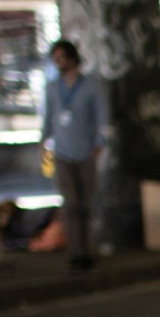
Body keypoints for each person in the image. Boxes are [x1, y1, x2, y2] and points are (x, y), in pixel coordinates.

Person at [42, 39, 105, 272]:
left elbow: (102, 119)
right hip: (62, 154)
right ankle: (75, 253)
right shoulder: (51, 87)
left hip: (86, 153)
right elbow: (47, 117)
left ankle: (87, 249)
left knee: (86, 205)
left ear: (71, 58)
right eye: (55, 60)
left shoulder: (91, 86)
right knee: (70, 204)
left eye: (61, 58)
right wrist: (43, 142)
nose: (58, 64)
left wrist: (99, 146)